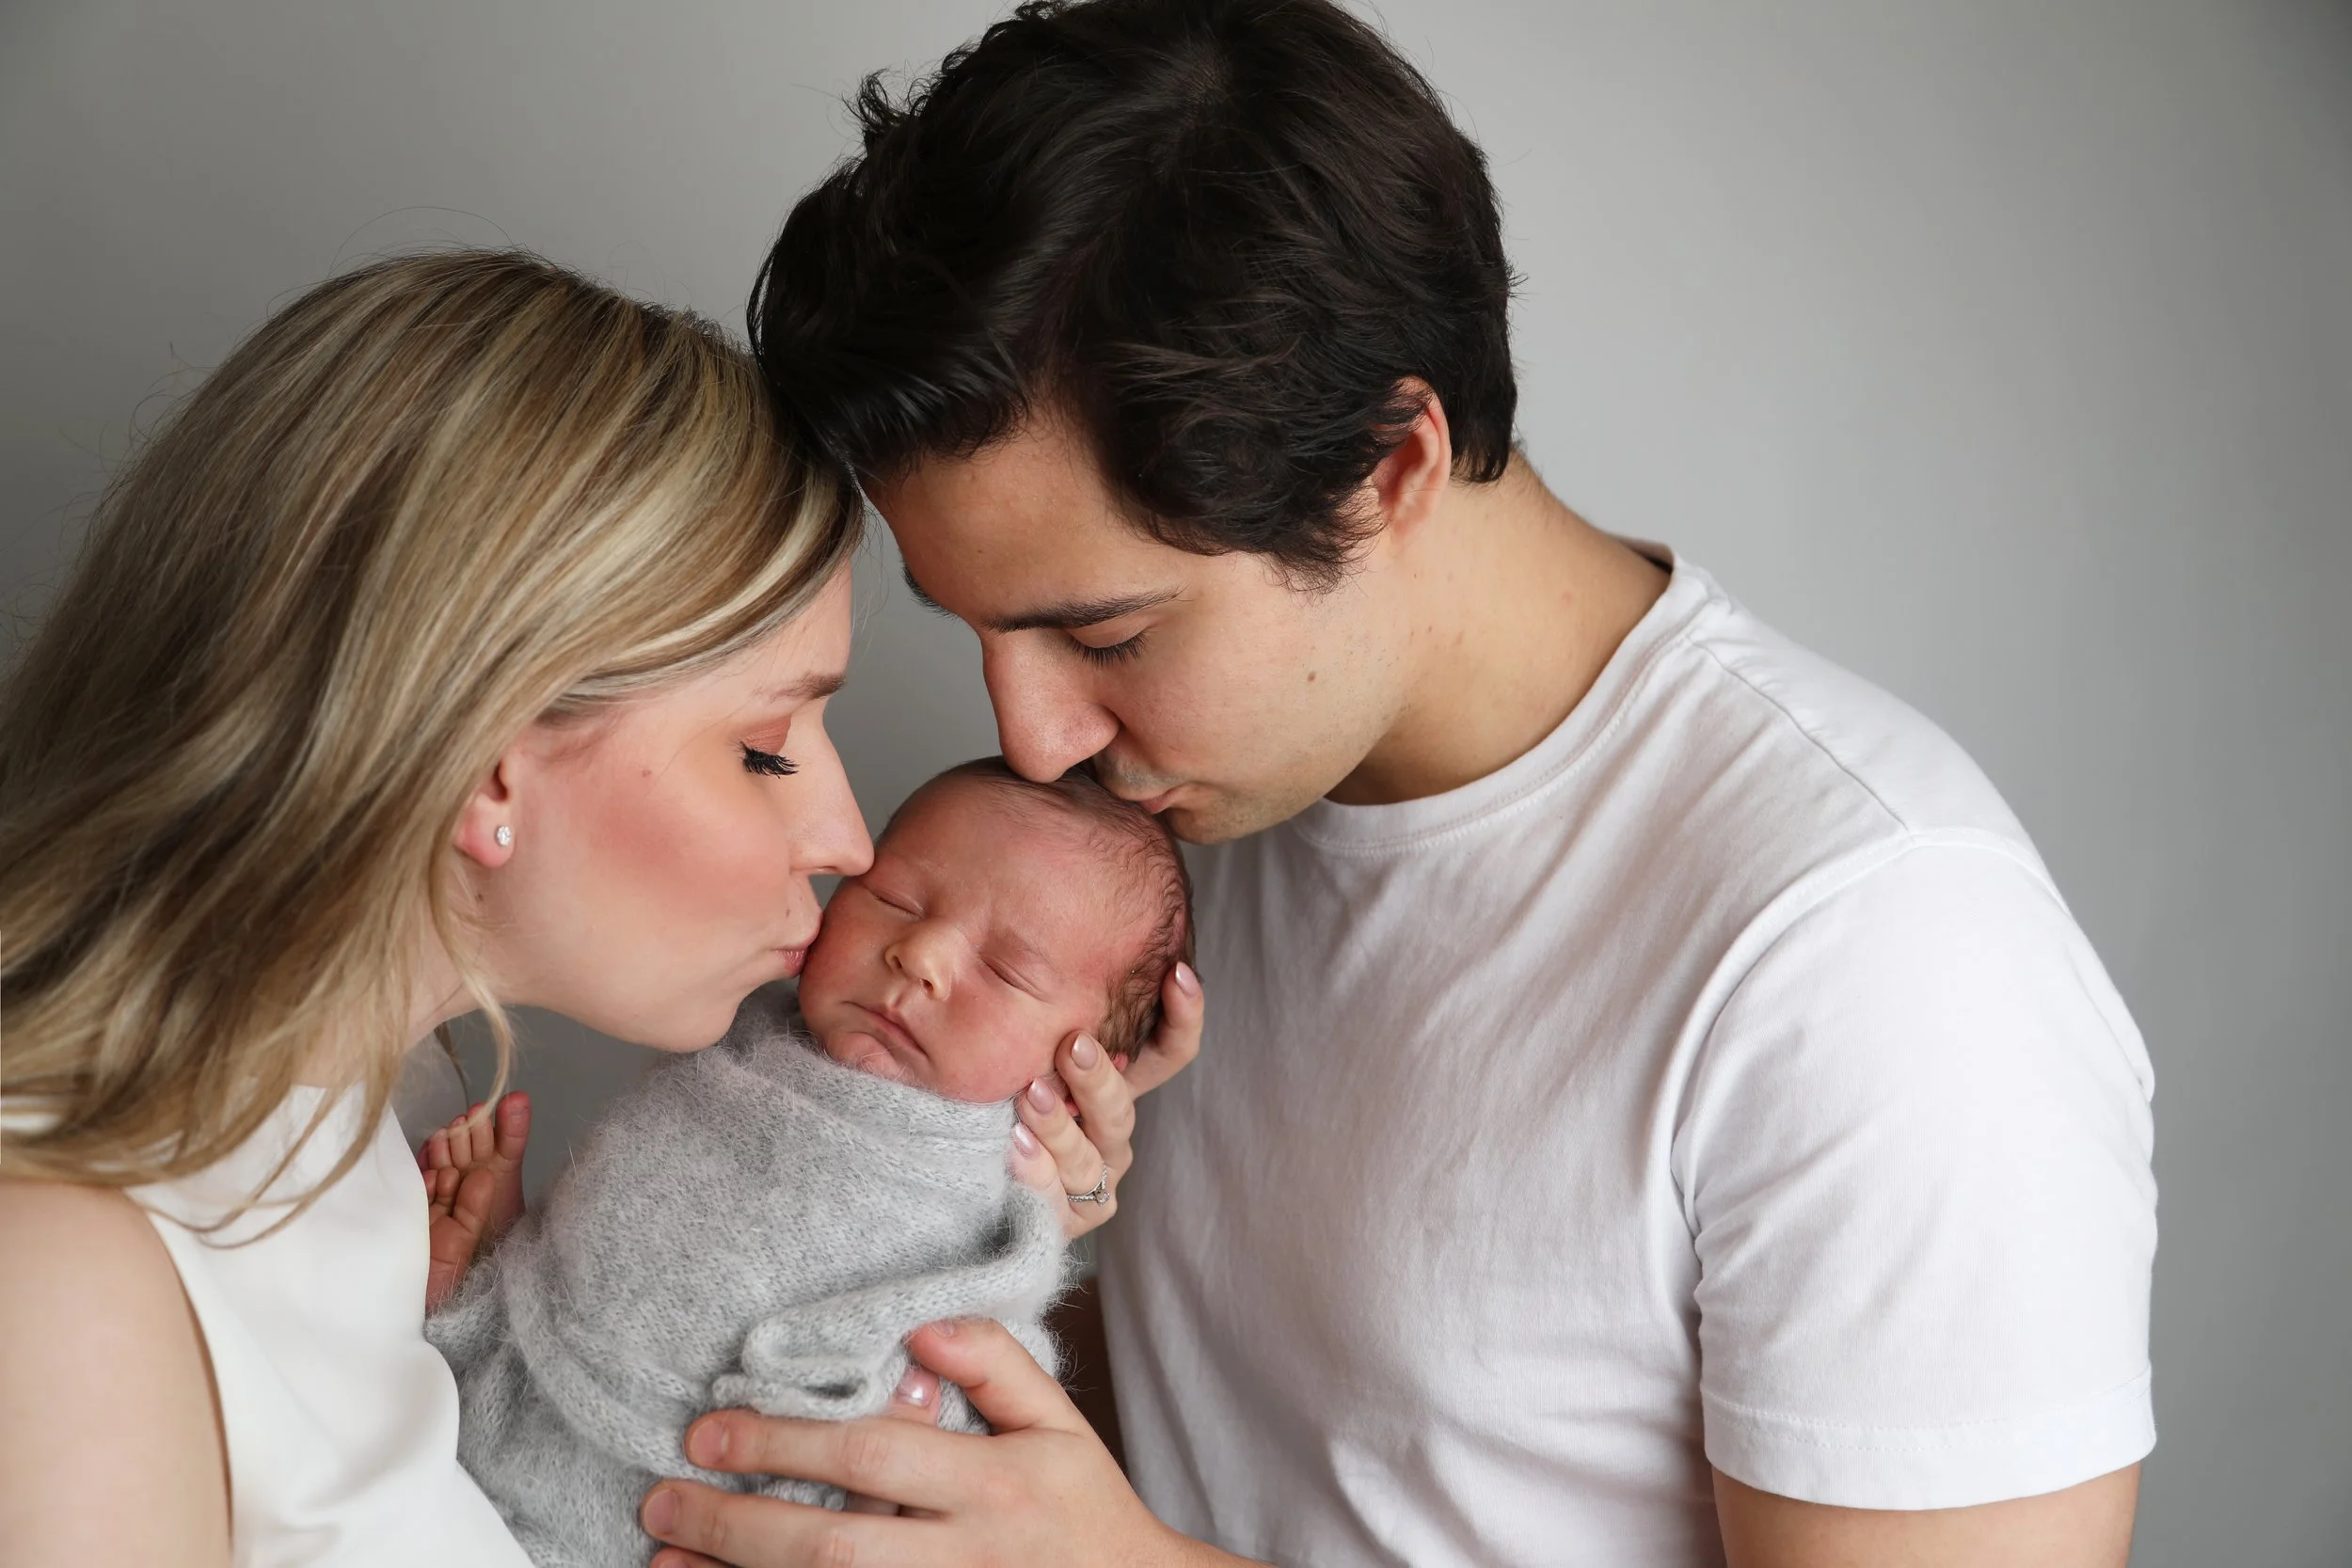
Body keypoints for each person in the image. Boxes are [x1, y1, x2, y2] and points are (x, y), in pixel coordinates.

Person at [621, 1, 2158, 1564]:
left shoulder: (1877, 958)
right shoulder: (1153, 832)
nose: (1032, 742)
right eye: (980, 635)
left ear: (1392, 465)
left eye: (1106, 632)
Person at [0, 250, 1200, 1564]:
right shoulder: (66, 1281)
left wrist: (966, 1181)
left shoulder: (358, 1149)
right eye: (763, 746)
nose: (845, 838)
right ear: (494, 759)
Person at [421, 758, 1191, 1563]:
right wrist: (489, 1279)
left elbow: (972, 1399)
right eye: (893, 899)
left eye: (1005, 970)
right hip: (484, 1434)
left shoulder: (983, 1226)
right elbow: (610, 1239)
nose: (919, 953)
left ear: (1077, 1078)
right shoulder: (733, 1029)